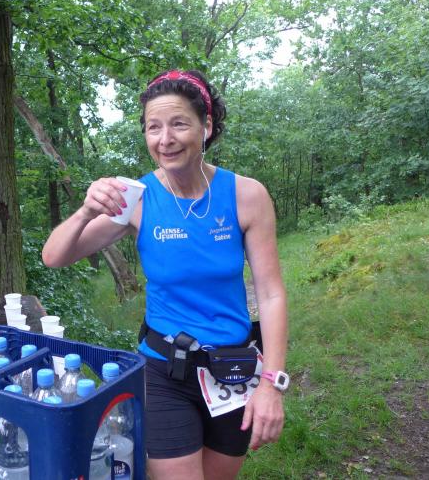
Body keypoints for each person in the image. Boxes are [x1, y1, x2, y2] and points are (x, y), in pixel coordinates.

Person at [42, 70, 288, 479]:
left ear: (206, 126)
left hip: (232, 369)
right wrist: (86, 211)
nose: (165, 139)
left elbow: (271, 294)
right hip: (164, 371)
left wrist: (271, 383)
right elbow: (54, 256)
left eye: (178, 124)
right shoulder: (136, 199)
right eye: (153, 127)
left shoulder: (247, 195)